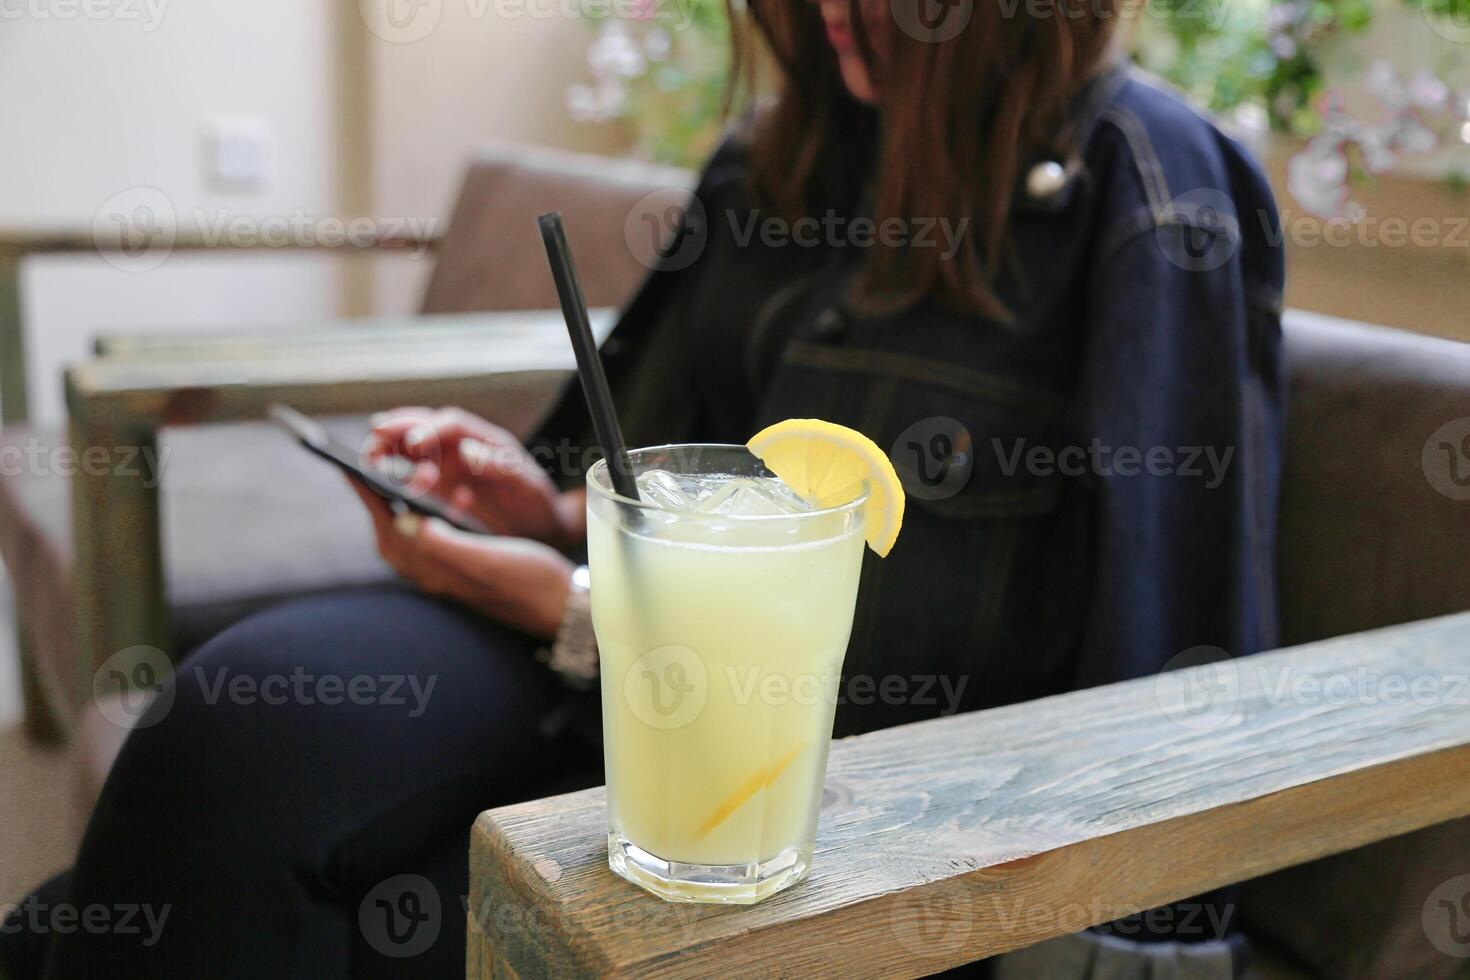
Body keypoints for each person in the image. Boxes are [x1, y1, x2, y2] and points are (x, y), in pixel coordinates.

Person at [0, 0, 1283, 972]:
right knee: (220, 736)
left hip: (830, 802)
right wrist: (540, 510)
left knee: (153, 911)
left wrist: (578, 603)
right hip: (585, 681)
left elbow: (1172, 666)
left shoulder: (1147, 192)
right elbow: (634, 467)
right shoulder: (774, 162)